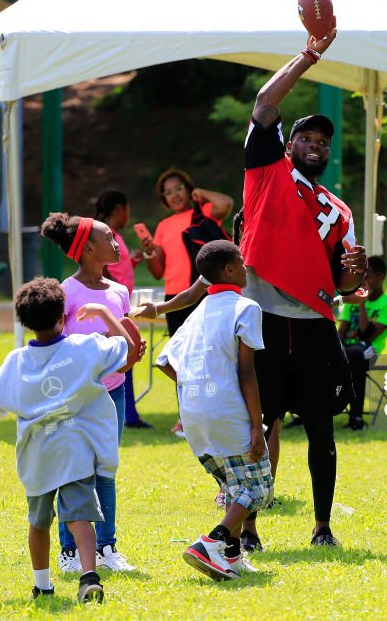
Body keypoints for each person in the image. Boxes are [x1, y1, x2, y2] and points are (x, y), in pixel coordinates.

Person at [242, 25, 370, 547]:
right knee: (256, 426)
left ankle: (322, 526)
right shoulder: (267, 169)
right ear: (288, 143)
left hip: (315, 326)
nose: (314, 145)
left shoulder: (339, 210)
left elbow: (340, 283)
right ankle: (246, 526)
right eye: (306, 138)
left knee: (322, 429)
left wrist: (353, 275)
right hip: (264, 318)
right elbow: (264, 101)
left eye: (323, 142)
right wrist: (308, 56)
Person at [0, 277, 137, 603]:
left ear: (23, 322)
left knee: (38, 523)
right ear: (62, 316)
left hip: (36, 456)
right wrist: (109, 317)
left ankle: (43, 585)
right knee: (80, 517)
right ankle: (89, 575)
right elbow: (126, 348)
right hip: (75, 451)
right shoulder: (84, 347)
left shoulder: (16, 362)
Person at [156, 240, 272, 580]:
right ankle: (212, 541)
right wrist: (256, 426)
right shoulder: (246, 308)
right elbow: (246, 372)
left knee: (236, 488)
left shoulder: (196, 314)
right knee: (259, 489)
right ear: (229, 271)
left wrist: (194, 385)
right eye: (241, 263)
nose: (247, 268)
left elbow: (164, 361)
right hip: (227, 411)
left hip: (194, 414)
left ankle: (231, 558)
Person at [40, 212, 140, 573]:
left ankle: (106, 547)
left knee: (106, 469)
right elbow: (54, 342)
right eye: (109, 237)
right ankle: (69, 553)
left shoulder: (119, 291)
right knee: (76, 470)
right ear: (86, 249)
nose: (116, 243)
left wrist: (129, 358)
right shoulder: (66, 291)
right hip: (76, 395)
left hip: (113, 392)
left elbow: (125, 339)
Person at [139, 170, 232, 437]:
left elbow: (226, 203)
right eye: (168, 193)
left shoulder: (204, 212)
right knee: (180, 360)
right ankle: (187, 416)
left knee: (209, 355)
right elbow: (157, 270)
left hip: (203, 293)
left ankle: (216, 412)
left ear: (189, 190)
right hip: (174, 299)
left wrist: (200, 194)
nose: (174, 195)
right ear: (163, 200)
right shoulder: (164, 226)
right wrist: (148, 252)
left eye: (178, 189)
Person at [96, 190, 152, 430]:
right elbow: (101, 268)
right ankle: (127, 414)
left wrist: (134, 261)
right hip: (112, 309)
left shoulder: (114, 235)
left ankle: (129, 413)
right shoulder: (104, 236)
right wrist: (112, 289)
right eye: (126, 210)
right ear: (119, 209)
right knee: (122, 357)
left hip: (120, 307)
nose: (128, 215)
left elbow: (116, 268)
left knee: (125, 357)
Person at [337, 255, 387, 431]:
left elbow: (367, 336)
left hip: (369, 352)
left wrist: (362, 303)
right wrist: (336, 347)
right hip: (348, 351)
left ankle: (355, 416)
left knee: (357, 355)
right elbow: (341, 332)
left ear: (381, 277)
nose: (364, 280)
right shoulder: (351, 300)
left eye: (368, 276)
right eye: (361, 276)